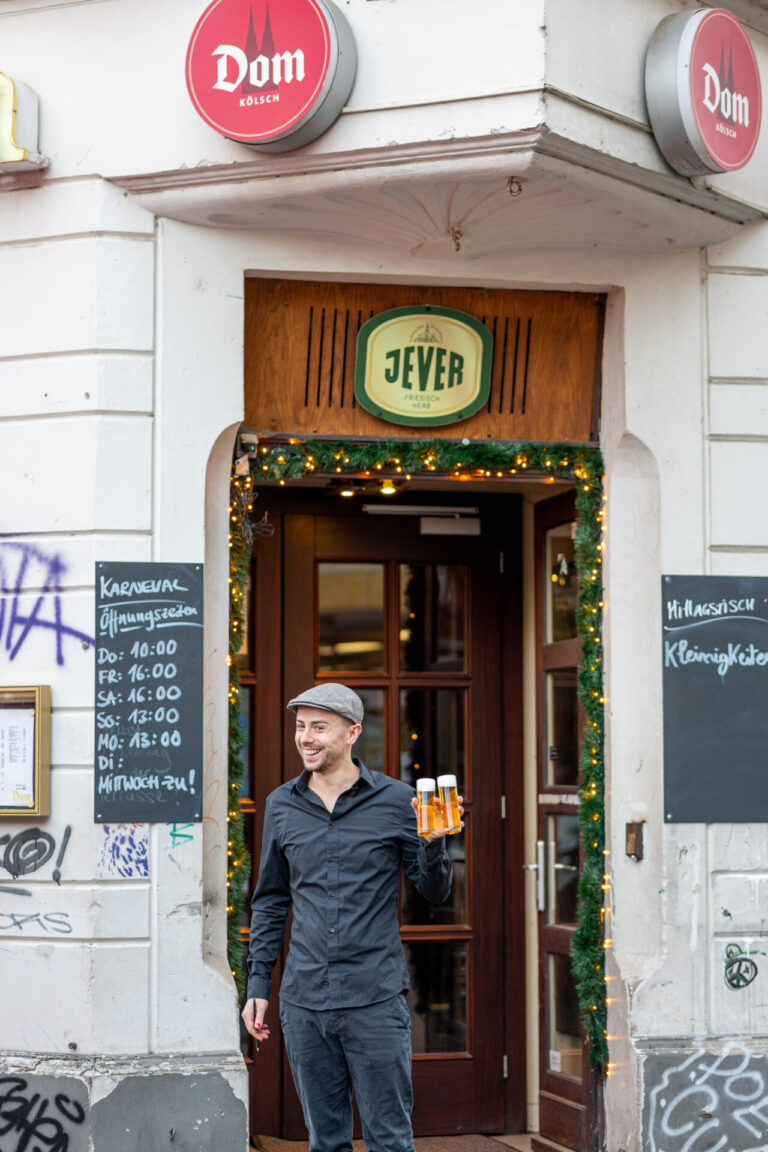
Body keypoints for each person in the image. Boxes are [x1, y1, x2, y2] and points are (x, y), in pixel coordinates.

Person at [241, 682, 461, 1152]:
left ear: (352, 733)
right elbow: (271, 899)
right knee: (326, 1143)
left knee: (390, 1142)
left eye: (319, 727)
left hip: (374, 999)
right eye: (301, 727)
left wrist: (436, 839)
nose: (306, 737)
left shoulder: (399, 801)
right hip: (304, 1001)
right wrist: (259, 985)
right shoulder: (281, 805)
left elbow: (434, 892)